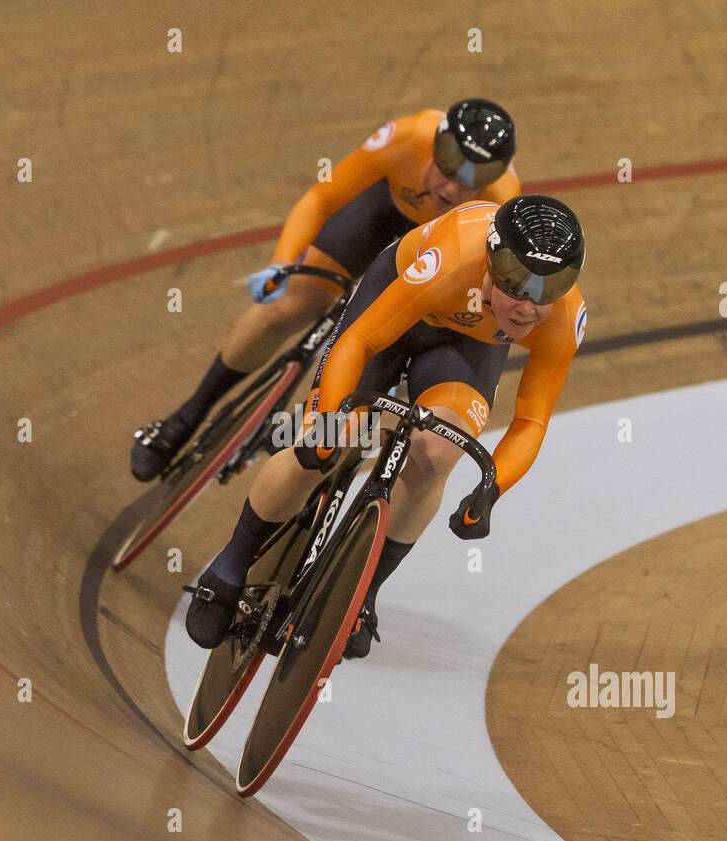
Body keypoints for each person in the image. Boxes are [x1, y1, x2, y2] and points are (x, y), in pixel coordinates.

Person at [185, 194, 589, 659]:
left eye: (549, 287)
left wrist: (492, 490)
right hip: (395, 310)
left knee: (436, 457)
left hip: (464, 349)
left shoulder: (561, 316)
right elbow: (358, 339)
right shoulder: (453, 260)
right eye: (517, 283)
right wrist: (331, 418)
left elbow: (532, 420)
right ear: (494, 262)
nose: (528, 306)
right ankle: (230, 567)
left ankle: (363, 594)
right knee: (322, 446)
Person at [131, 98, 522, 480]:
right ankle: (187, 416)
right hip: (384, 219)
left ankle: (313, 421)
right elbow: (323, 196)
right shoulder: (407, 136)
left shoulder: (504, 203)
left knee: (373, 363)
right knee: (286, 308)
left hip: (434, 262)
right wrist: (282, 262)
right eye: (448, 167)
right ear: (435, 146)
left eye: (472, 180)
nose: (452, 189)